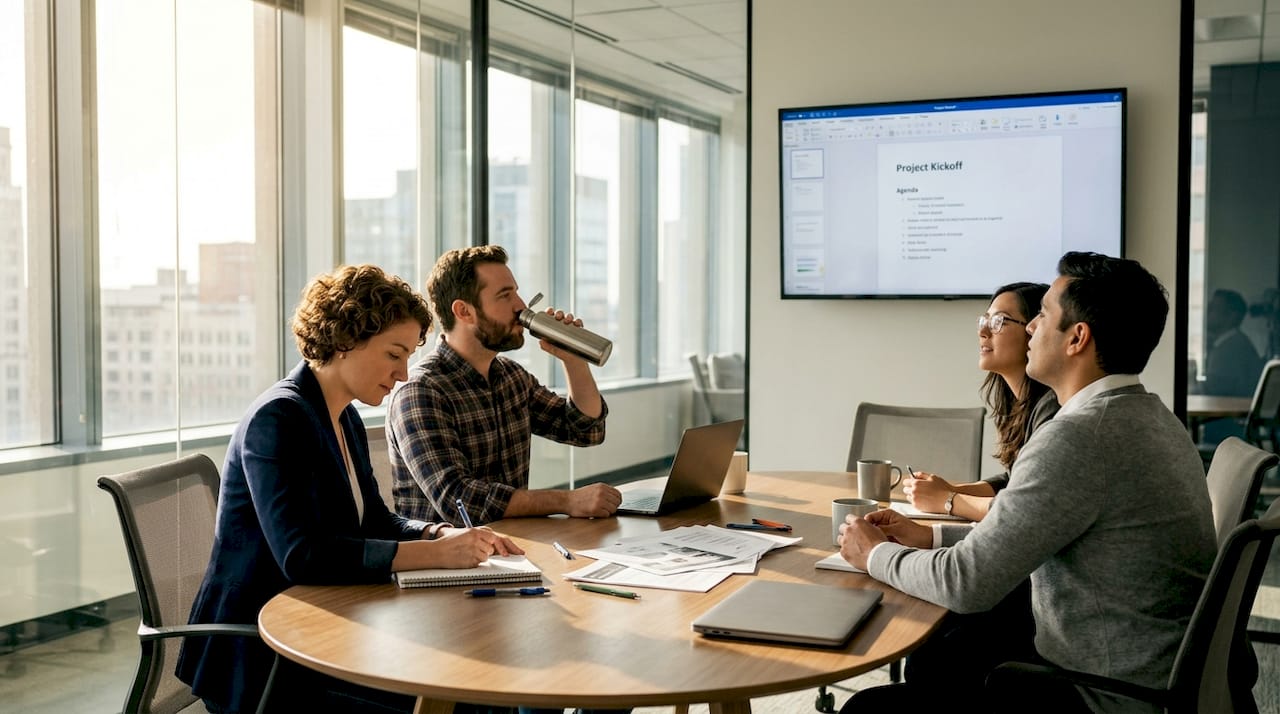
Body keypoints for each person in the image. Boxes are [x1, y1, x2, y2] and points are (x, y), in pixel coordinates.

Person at [839, 252, 1217, 713]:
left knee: (873, 706)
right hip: (1148, 672)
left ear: (1078, 338)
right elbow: (1036, 528)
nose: (1033, 328)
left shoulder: (1077, 438)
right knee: (936, 664)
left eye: (1043, 315)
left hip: (1100, 693)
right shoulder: (1153, 416)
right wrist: (932, 533)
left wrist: (873, 553)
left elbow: (965, 583)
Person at [177, 265, 521, 714]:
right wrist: (434, 555)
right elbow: (302, 555)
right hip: (269, 656)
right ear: (344, 340)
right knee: (470, 700)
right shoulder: (277, 420)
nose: (402, 374)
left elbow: (376, 519)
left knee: (481, 685)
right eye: (393, 354)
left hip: (328, 623)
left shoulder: (344, 416)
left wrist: (439, 535)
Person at [388, 245, 620, 525]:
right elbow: (458, 500)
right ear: (464, 311)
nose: (521, 305)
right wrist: (567, 501)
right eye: (505, 295)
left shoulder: (511, 377)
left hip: (515, 548)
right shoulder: (420, 391)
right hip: (451, 561)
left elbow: (585, 430)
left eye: (516, 292)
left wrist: (573, 359)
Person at [904, 282, 1059, 522]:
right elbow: (1013, 480)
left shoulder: (1053, 408)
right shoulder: (1016, 401)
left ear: (1034, 329)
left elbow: (1024, 507)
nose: (983, 331)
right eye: (984, 320)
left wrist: (948, 500)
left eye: (999, 321)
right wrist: (951, 490)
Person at [1201, 288, 1264, 397]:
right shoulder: (1233, 343)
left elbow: (1215, 392)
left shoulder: (1231, 349)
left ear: (1232, 316)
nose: (1207, 313)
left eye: (1213, 308)